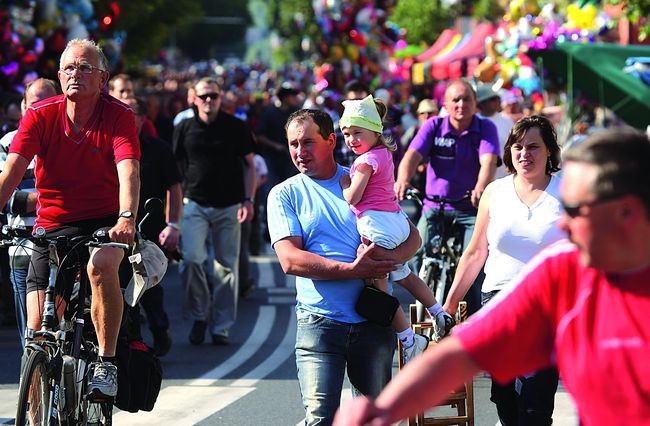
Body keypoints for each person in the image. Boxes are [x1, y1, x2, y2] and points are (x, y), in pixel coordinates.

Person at [333, 128, 650, 426]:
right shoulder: (563, 269)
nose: (563, 224)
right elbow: (462, 354)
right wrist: (384, 409)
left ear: (627, 212)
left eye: (575, 208)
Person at [0, 38, 140, 400]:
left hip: (104, 221)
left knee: (101, 266)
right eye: (69, 68)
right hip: (52, 224)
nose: (75, 74)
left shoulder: (119, 116)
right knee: (37, 332)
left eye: (85, 67)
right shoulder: (40, 114)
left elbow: (129, 172)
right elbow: (12, 172)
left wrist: (126, 218)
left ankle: (106, 362)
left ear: (103, 78)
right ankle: (38, 409)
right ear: (60, 75)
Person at [267, 109, 422, 425]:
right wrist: (354, 270)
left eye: (308, 142)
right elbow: (290, 259)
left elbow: (413, 238)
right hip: (319, 324)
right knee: (320, 419)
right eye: (293, 144)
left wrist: (388, 259)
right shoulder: (284, 194)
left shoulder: (362, 177)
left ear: (331, 140)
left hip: (373, 320)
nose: (300, 152)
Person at [442, 115, 564, 425]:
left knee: (536, 398)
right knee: (505, 396)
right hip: (497, 302)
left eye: (534, 147)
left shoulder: (567, 192)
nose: (525, 154)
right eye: (518, 147)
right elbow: (475, 251)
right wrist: (450, 303)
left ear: (549, 151)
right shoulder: (495, 192)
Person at [338, 95, 454, 362]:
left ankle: (408, 339)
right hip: (397, 222)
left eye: (357, 132)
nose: (351, 139)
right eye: (346, 134)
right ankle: (438, 312)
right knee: (405, 276)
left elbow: (353, 197)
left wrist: (345, 183)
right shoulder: (384, 154)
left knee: (381, 288)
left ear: (375, 131)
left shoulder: (366, 161)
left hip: (378, 226)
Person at [395, 79, 500, 315]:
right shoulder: (434, 125)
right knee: (414, 252)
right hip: (434, 207)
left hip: (470, 210)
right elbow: (412, 156)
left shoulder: (485, 128)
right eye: (456, 99)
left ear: (476, 104)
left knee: (473, 265)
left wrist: (481, 187)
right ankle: (427, 303)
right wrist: (402, 179)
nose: (461, 104)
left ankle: (473, 319)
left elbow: (488, 161)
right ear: (446, 104)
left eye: (467, 99)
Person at [173, 77, 256, 346]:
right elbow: (175, 170)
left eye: (214, 96)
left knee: (225, 268)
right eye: (204, 96)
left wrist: (248, 200)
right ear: (194, 99)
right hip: (194, 202)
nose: (209, 101)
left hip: (229, 204)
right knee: (192, 260)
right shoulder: (184, 127)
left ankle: (222, 327)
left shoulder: (236, 127)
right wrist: (171, 214)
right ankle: (199, 314)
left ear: (221, 98)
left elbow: (249, 166)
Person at [0, 78, 59, 347]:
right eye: (35, 104)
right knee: (31, 338)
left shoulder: (68, 138)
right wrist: (55, 197)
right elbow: (9, 200)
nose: (41, 110)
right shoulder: (7, 144)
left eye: (48, 103)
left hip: (63, 246)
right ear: (23, 107)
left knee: (64, 332)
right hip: (23, 247)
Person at [122, 96, 182, 356]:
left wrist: (173, 224)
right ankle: (131, 340)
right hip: (116, 228)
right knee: (122, 285)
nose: (125, 119)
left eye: (131, 114)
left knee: (150, 287)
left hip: (149, 227)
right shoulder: (107, 147)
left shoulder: (158, 149)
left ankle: (160, 330)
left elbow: (175, 187)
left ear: (142, 119)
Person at [476, 84, 514, 179]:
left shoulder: (507, 120)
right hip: (480, 180)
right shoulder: (473, 122)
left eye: (497, 98)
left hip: (504, 178)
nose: (497, 101)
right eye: (492, 99)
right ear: (481, 103)